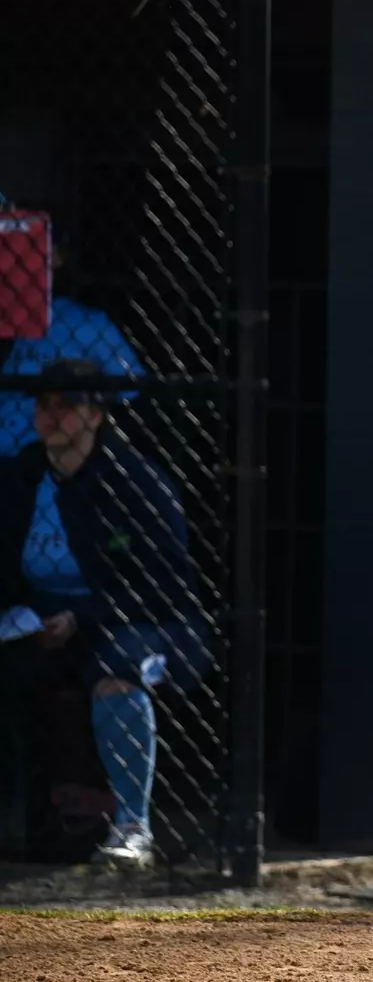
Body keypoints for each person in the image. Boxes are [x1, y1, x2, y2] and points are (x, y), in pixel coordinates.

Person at [0, 359, 212, 868]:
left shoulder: (135, 481)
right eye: (44, 406)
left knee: (117, 672)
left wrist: (81, 615)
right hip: (44, 621)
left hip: (146, 622)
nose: (52, 417)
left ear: (97, 415)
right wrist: (27, 614)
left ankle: (133, 828)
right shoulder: (22, 477)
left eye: (67, 406)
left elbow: (163, 586)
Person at [0, 228, 147, 457]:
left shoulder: (86, 323)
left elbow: (133, 396)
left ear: (57, 257)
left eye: (31, 247)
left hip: (50, 453)